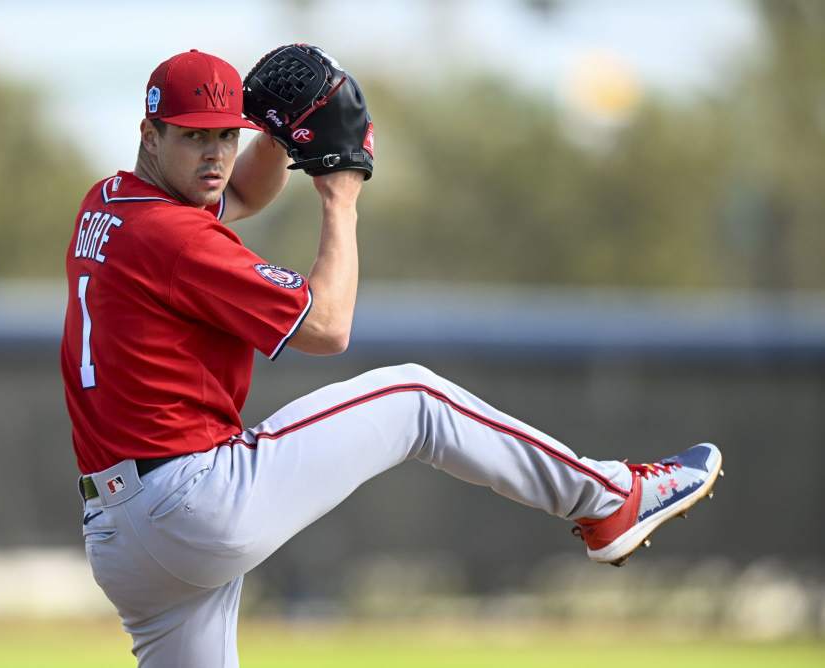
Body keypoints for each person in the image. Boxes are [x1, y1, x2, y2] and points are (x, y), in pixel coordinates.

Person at [61, 49, 723, 668]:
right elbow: (327, 325)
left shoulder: (110, 202)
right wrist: (339, 195)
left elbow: (240, 197)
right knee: (416, 401)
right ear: (150, 133)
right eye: (192, 136)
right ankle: (610, 498)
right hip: (192, 502)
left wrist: (273, 136)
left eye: (225, 135)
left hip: (121, 537)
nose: (214, 155)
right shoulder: (179, 241)